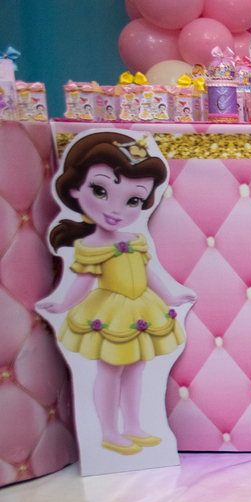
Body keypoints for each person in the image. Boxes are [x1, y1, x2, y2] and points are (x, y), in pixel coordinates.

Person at [39, 132, 192, 455]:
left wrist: (171, 297)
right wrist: (63, 304)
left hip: (141, 309)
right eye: (100, 191)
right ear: (75, 188)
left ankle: (133, 424)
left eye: (133, 200)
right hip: (111, 312)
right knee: (109, 371)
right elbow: (81, 283)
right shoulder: (90, 246)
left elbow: (148, 274)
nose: (115, 209)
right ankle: (109, 431)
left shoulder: (134, 240)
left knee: (136, 370)